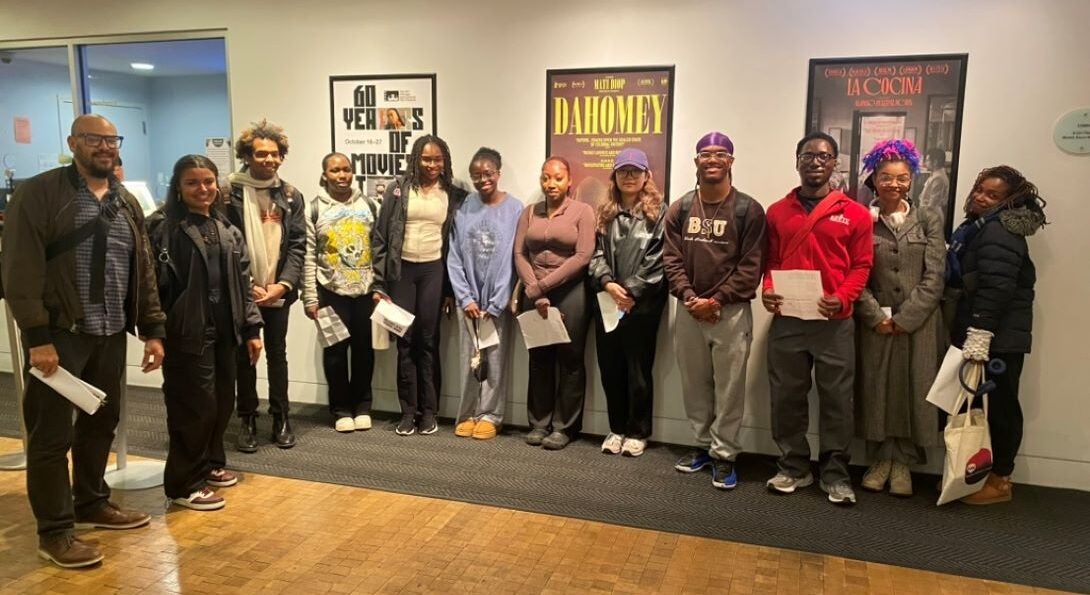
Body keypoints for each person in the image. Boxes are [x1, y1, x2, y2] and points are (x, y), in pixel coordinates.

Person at [1, 114, 166, 568]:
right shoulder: (40, 194)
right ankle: (54, 532)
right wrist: (36, 336)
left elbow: (143, 268)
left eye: (112, 140)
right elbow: (18, 268)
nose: (104, 147)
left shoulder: (125, 200)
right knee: (51, 437)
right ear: (73, 142)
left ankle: (91, 503)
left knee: (100, 425)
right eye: (94, 139)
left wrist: (153, 329)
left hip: (110, 333)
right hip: (59, 336)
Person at [762, 132, 873, 506]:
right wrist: (767, 289)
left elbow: (862, 266)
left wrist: (842, 299)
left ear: (834, 163)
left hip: (834, 322)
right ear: (797, 161)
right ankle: (793, 466)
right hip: (788, 320)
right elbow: (771, 261)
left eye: (824, 156)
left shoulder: (855, 213)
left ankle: (836, 474)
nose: (815, 162)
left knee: (838, 399)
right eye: (808, 155)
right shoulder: (777, 211)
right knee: (786, 396)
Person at [147, 155, 264, 511]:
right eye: (192, 183)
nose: (203, 189)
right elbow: (150, 283)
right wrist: (153, 329)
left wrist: (253, 327)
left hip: (225, 331)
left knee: (220, 403)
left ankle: (211, 464)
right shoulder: (162, 227)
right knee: (192, 408)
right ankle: (185, 484)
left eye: (209, 181)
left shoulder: (226, 227)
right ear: (178, 188)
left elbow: (244, 282)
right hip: (186, 332)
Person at [663, 133, 766, 487]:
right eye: (705, 154)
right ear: (696, 162)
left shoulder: (748, 210)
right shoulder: (680, 208)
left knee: (730, 387)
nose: (712, 160)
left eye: (720, 154)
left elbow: (751, 266)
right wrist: (691, 298)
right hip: (690, 310)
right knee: (694, 385)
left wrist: (717, 300)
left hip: (731, 313)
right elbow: (671, 260)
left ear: (731, 162)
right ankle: (703, 446)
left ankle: (725, 454)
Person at [948, 166, 1047, 505]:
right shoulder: (978, 227)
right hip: (991, 331)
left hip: (997, 336)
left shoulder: (999, 232)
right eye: (980, 189)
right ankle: (977, 475)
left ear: (1009, 202)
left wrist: (980, 333)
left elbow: (997, 288)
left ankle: (1001, 479)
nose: (980, 196)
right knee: (981, 406)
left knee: (1000, 407)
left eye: (992, 195)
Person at [853, 139, 945, 498]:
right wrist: (875, 315)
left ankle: (903, 463)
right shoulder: (861, 218)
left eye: (902, 178)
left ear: (912, 180)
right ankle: (881, 460)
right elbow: (853, 272)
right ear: (873, 179)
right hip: (874, 321)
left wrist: (907, 318)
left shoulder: (928, 219)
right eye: (886, 177)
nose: (894, 184)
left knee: (913, 389)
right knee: (876, 389)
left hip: (918, 324)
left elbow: (935, 275)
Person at [372, 135, 467, 436]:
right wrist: (379, 283)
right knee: (405, 342)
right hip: (401, 272)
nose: (432, 164)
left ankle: (429, 411)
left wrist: (451, 290)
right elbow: (381, 237)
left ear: (445, 161)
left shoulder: (453, 194)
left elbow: (457, 245)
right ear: (415, 159)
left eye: (437, 159)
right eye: (426, 159)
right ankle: (407, 411)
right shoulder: (397, 190)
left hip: (433, 271)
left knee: (428, 341)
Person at [224, 120, 306, 452]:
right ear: (247, 155)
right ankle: (246, 419)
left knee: (278, 355)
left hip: (278, 293)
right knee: (245, 356)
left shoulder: (289, 194)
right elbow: (225, 246)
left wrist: (283, 285)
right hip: (243, 292)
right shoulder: (227, 193)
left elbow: (298, 244)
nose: (269, 160)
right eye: (261, 154)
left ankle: (281, 417)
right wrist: (248, 287)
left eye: (274, 154)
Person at [589, 148, 668, 458]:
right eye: (623, 171)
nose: (630, 176)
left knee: (638, 369)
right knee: (610, 367)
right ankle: (616, 428)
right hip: (607, 302)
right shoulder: (604, 212)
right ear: (615, 176)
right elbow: (594, 254)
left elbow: (658, 259)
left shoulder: (659, 213)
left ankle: (638, 431)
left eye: (636, 171)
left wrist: (631, 291)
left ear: (647, 175)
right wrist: (609, 284)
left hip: (642, 306)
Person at [514, 156, 596, 450]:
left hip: (571, 293)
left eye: (558, 178)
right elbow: (520, 255)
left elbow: (583, 256)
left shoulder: (583, 211)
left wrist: (543, 286)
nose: (551, 183)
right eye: (546, 177)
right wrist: (534, 290)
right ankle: (539, 423)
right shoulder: (529, 213)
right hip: (534, 292)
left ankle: (564, 427)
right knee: (539, 360)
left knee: (571, 360)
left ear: (569, 180)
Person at [446, 147, 523, 440]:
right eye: (476, 175)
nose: (482, 180)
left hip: (496, 303)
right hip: (469, 302)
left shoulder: (515, 209)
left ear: (498, 173)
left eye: (488, 173)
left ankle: (491, 414)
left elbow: (512, 258)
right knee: (469, 358)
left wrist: (497, 301)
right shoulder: (464, 207)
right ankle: (467, 413)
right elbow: (454, 254)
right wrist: (465, 297)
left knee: (496, 359)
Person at [302, 153, 379, 432]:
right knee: (335, 353)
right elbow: (309, 256)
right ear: (325, 175)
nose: (342, 175)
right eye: (335, 171)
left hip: (365, 292)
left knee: (364, 352)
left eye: (346, 169)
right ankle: (340, 409)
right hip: (330, 291)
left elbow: (379, 249)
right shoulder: (313, 209)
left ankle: (362, 406)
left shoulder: (370, 205)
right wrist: (310, 297)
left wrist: (380, 287)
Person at [918, 148, 950, 215]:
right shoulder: (935, 175)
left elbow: (933, 204)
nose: (925, 163)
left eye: (927, 160)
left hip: (932, 217)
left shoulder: (938, 178)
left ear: (935, 162)